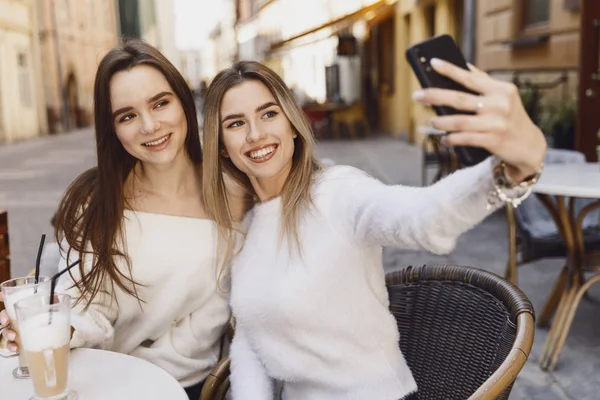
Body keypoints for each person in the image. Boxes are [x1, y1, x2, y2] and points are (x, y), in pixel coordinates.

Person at [200, 60, 546, 400]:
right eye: (235, 123)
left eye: (269, 113)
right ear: (222, 147)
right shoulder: (246, 226)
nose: (256, 133)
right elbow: (250, 337)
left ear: (293, 123)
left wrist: (509, 172)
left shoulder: (337, 193)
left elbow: (422, 217)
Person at [0, 39, 245, 400]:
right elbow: (86, 306)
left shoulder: (237, 191)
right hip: (109, 379)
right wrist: (57, 327)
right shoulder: (96, 201)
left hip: (194, 386)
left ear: (183, 101)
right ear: (112, 128)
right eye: (127, 116)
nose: (149, 125)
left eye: (160, 103)